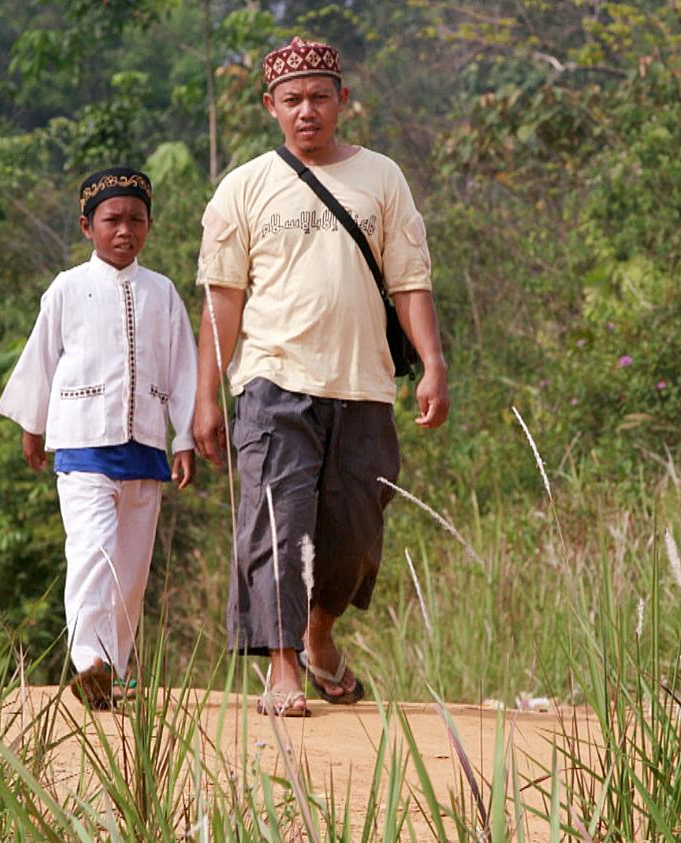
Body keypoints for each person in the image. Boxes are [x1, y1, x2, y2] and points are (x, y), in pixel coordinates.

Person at [193, 37, 449, 717]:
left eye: (319, 97)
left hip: (364, 386)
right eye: (293, 99)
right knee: (278, 524)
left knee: (355, 533)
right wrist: (205, 397)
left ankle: (318, 634)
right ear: (270, 106)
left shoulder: (382, 177)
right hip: (272, 381)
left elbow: (410, 279)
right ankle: (281, 667)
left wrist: (433, 363)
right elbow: (222, 299)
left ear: (342, 101)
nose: (307, 110)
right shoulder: (243, 187)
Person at [0, 166, 198, 710]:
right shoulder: (67, 287)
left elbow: (184, 371)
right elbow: (41, 357)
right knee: (92, 553)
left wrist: (184, 439)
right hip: (83, 447)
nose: (125, 230)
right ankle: (90, 661)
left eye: (136, 220)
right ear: (88, 226)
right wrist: (33, 427)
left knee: (131, 572)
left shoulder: (163, 293)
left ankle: (118, 671)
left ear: (150, 225)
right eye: (112, 220)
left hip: (147, 451)